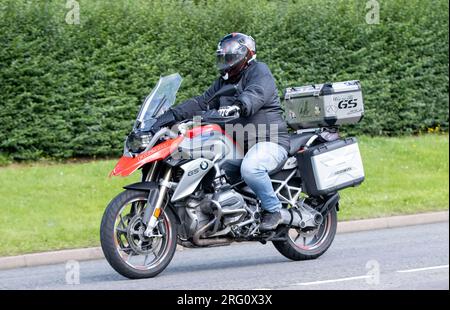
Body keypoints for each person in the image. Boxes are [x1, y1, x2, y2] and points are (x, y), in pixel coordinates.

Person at [152, 33, 290, 231]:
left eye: (229, 57)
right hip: (238, 145)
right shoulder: (224, 81)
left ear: (245, 55)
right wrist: (171, 115)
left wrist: (238, 105)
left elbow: (256, 93)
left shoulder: (259, 71)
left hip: (270, 141)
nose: (226, 61)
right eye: (223, 57)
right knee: (208, 170)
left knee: (251, 168)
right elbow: (201, 102)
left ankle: (273, 210)